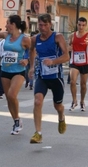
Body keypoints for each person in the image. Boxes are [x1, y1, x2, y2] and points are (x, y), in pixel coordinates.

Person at [0, 14, 31, 135]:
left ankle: (17, 120)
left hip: (18, 71)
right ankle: (16, 120)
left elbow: (31, 50)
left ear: (14, 25)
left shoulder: (24, 39)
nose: (5, 25)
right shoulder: (6, 35)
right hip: (5, 70)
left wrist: (26, 60)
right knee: (8, 98)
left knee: (12, 95)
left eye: (7, 23)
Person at [28, 14, 69, 144]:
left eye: (45, 25)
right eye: (40, 25)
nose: (43, 28)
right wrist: (32, 66)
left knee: (58, 106)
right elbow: (31, 51)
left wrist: (53, 62)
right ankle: (38, 133)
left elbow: (66, 56)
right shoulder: (35, 39)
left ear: (50, 25)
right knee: (37, 101)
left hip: (56, 77)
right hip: (42, 76)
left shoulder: (57, 37)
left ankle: (61, 117)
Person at [68, 17, 88, 112]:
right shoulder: (72, 36)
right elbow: (68, 47)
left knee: (83, 84)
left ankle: (82, 101)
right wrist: (69, 48)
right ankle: (74, 100)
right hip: (74, 62)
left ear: (86, 26)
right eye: (79, 25)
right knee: (72, 81)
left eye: (83, 25)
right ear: (77, 25)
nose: (81, 27)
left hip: (85, 62)